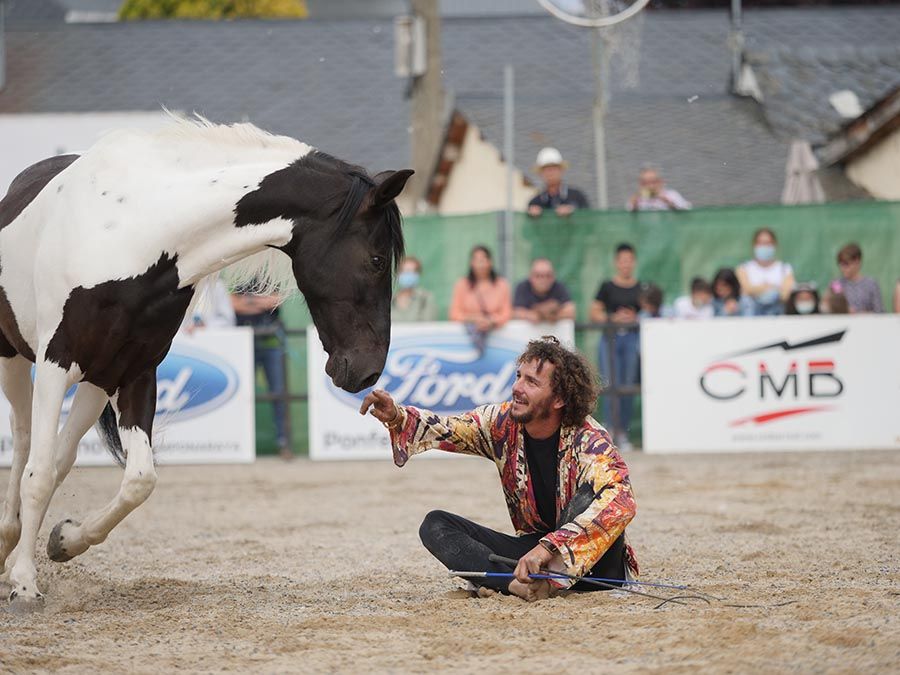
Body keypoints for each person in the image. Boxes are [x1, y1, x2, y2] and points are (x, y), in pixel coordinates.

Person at [358, 336, 638, 602]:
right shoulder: (501, 423)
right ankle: (516, 585)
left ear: (559, 399)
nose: (517, 387)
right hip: (532, 557)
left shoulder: (590, 440)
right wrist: (397, 415)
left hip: (594, 569)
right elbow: (449, 428)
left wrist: (549, 548)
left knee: (592, 495)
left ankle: (543, 581)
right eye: (518, 376)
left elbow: (622, 501)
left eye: (531, 382)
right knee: (436, 525)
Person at [589, 243, 641, 452]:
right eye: (622, 260)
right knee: (610, 384)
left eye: (629, 260)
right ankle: (609, 430)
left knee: (627, 385)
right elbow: (594, 313)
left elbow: (650, 312)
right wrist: (613, 318)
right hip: (610, 339)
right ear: (616, 262)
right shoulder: (607, 287)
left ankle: (623, 432)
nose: (626, 264)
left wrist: (634, 318)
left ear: (634, 262)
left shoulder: (641, 288)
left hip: (633, 339)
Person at [231, 283, 291, 460]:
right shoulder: (238, 276)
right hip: (244, 343)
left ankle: (284, 443)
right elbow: (233, 304)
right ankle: (237, 444)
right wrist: (261, 302)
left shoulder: (271, 276)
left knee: (278, 394)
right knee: (240, 394)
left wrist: (248, 301)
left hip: (271, 342)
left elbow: (276, 301)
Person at [449, 246, 512, 354]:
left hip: (498, 342)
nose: (480, 264)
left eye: (483, 260)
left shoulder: (502, 285)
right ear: (471, 263)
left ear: (490, 262)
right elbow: (454, 314)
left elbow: (506, 313)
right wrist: (474, 319)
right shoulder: (462, 285)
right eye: (476, 260)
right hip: (466, 343)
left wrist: (491, 321)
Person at [736, 228, 795, 316]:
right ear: (754, 245)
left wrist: (757, 290)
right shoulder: (744, 268)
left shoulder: (785, 268)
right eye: (761, 243)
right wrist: (772, 287)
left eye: (768, 243)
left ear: (775, 245)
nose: (764, 246)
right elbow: (746, 289)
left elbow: (786, 294)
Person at [526, 147, 589, 218]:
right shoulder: (535, 203)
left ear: (561, 170)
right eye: (546, 169)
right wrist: (533, 218)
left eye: (553, 168)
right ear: (540, 174)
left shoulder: (577, 197)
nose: (550, 173)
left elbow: (589, 219)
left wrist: (573, 213)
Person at [512, 258, 576, 324]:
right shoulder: (522, 287)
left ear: (554, 276)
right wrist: (530, 315)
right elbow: (515, 311)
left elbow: (570, 310)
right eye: (538, 276)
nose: (543, 280)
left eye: (548, 276)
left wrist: (554, 316)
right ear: (530, 276)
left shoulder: (559, 287)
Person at [826, 243, 883, 314]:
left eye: (846, 264)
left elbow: (879, 311)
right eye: (840, 264)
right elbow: (827, 307)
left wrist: (860, 314)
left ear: (857, 262)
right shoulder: (837, 284)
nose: (842, 268)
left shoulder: (871, 284)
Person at [391, 255, 437, 322]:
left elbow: (428, 323)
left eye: (411, 271)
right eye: (404, 271)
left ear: (418, 274)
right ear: (398, 273)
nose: (407, 274)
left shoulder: (425, 299)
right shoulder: (390, 299)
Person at [626, 166, 691, 212]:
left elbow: (687, 210)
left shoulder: (671, 195)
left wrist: (669, 202)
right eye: (645, 183)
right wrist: (635, 206)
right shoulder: (638, 199)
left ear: (661, 182)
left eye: (654, 182)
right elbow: (628, 217)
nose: (650, 186)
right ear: (640, 185)